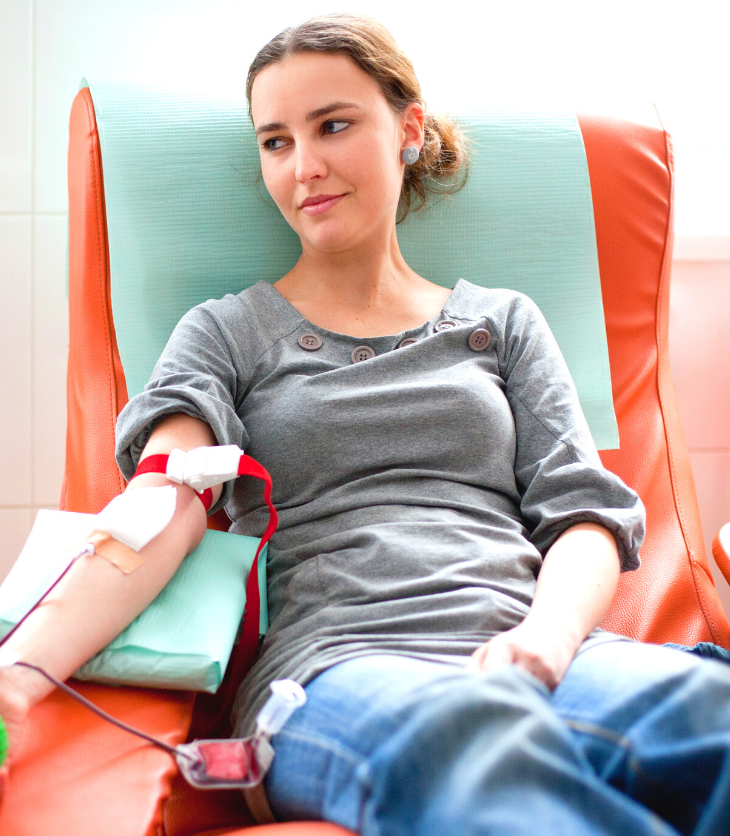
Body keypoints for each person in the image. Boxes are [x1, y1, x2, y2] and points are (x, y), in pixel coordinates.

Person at [3, 12, 730, 835]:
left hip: (537, 647)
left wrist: (548, 640)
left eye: (334, 125)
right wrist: (20, 670)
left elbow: (586, 514)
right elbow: (160, 507)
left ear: (408, 130)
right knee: (461, 740)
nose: (303, 167)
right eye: (275, 142)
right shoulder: (226, 333)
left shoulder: (504, 323)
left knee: (704, 709)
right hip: (341, 671)